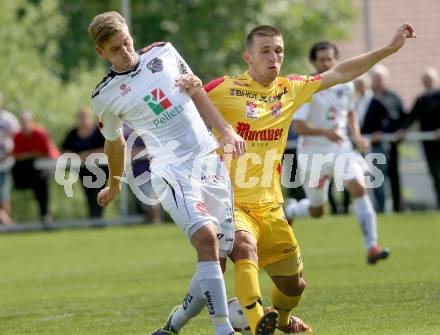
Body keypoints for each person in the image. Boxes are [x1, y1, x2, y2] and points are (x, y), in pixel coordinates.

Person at [159, 24, 416, 335]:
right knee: (243, 248)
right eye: (265, 51)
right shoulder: (225, 88)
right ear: (248, 57)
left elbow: (342, 72)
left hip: (271, 205)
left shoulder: (289, 88)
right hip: (230, 203)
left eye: (278, 50)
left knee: (294, 286)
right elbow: (175, 101)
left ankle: (279, 319)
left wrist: (388, 49)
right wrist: (181, 86)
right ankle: (256, 323)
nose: (274, 56)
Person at [88, 11, 249, 335]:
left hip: (208, 159)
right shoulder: (104, 95)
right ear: (101, 52)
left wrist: (226, 132)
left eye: (128, 42)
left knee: (219, 253)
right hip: (170, 169)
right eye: (117, 49)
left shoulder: (164, 52)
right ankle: (223, 329)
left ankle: (173, 325)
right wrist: (114, 185)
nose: (126, 51)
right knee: (205, 238)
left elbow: (196, 90)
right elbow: (115, 145)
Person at [284, 41, 390, 266]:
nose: (326, 63)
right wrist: (325, 132)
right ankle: (292, 208)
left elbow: (350, 111)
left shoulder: (346, 85)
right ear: (313, 61)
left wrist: (357, 135)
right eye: (321, 59)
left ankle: (372, 246)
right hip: (312, 154)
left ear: (336, 59)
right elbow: (299, 127)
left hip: (340, 149)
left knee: (359, 187)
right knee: (317, 211)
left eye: (330, 58)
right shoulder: (307, 87)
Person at [362, 64, 406, 212]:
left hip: (392, 144)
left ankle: (398, 207)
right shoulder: (366, 98)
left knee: (394, 175)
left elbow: (403, 117)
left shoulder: (395, 97)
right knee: (377, 178)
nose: (379, 81)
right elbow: (362, 122)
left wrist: (402, 130)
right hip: (374, 145)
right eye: (376, 78)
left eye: (381, 78)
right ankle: (380, 209)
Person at [12, 111, 59, 223]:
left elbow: (46, 153)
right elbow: (16, 156)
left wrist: (29, 154)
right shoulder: (18, 136)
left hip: (48, 162)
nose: (24, 125)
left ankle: (45, 214)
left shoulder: (40, 133)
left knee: (41, 182)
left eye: (26, 122)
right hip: (31, 166)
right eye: (22, 123)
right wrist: (32, 153)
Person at [62, 106, 108, 218]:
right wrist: (77, 157)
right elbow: (65, 149)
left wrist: (88, 155)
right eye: (80, 118)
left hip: (100, 168)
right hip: (83, 169)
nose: (82, 120)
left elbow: (108, 148)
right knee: (88, 194)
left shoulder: (99, 131)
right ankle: (94, 218)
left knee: (98, 193)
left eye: (85, 117)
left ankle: (97, 218)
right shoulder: (73, 133)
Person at [404, 68, 440, 208]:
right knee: (434, 174)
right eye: (425, 79)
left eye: (430, 78)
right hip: (429, 144)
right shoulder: (421, 99)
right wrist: (403, 130)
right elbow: (411, 117)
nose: (428, 81)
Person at [0, 92, 20, 225]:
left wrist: (9, 154)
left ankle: (6, 222)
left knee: (4, 194)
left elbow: (18, 139)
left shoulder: (8, 119)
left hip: (6, 162)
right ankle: (6, 222)